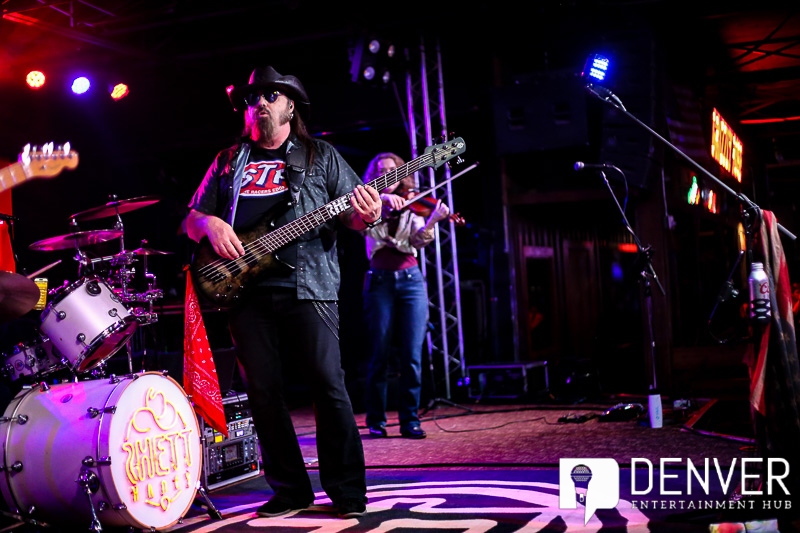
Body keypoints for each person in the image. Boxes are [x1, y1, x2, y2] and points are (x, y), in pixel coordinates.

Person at [183, 66, 382, 519]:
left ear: (290, 106)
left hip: (309, 285)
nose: (260, 102)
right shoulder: (228, 160)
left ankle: (347, 490)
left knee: (328, 386)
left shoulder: (320, 155)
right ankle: (290, 490)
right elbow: (191, 219)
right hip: (244, 290)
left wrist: (366, 214)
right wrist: (208, 224)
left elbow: (353, 215)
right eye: (253, 97)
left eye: (270, 95)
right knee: (263, 393)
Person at [359, 152, 450, 439]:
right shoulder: (366, 202)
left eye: (392, 169)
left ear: (401, 174)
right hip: (379, 280)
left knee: (412, 354)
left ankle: (410, 419)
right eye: (380, 170)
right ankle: (376, 420)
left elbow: (417, 241)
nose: (387, 174)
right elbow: (370, 232)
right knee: (380, 353)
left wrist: (432, 221)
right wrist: (383, 200)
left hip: (411, 281)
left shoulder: (413, 203)